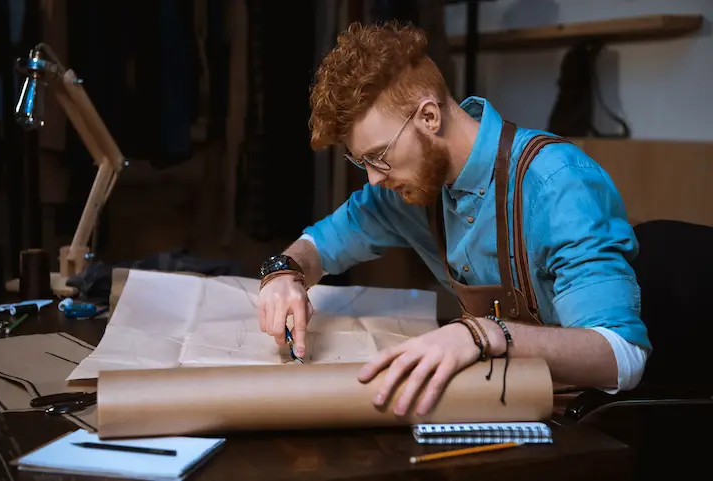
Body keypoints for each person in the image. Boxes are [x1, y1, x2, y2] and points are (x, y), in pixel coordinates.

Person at [257, 20, 651, 417]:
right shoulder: (406, 192)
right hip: (502, 401)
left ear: (429, 117)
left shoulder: (557, 182)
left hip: (583, 418)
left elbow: (622, 357)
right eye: (362, 162)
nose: (374, 178)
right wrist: (284, 273)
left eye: (379, 155)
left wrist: (484, 333)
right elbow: (319, 246)